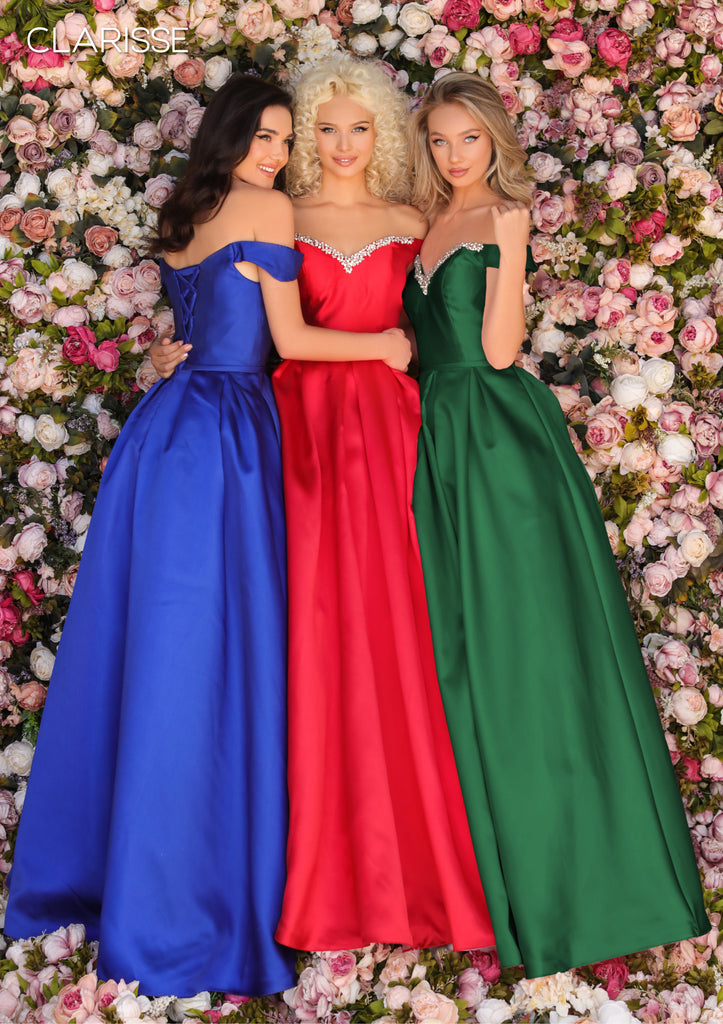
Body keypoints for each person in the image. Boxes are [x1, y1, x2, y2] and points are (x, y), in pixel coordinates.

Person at [5, 74, 410, 997]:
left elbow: (188, 329)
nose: (276, 155)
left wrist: (158, 358)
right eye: (264, 136)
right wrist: (385, 345)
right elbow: (291, 344)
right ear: (229, 136)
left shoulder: (184, 214)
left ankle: (131, 877)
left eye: (284, 140)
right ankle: (207, 897)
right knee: (226, 653)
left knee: (158, 643)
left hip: (165, 430)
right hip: (231, 434)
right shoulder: (268, 209)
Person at [152, 56, 496, 954]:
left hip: (390, 429)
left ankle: (406, 845)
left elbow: (446, 331)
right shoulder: (280, 213)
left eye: (360, 127)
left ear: (382, 133)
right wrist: (167, 352)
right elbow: (252, 327)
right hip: (299, 424)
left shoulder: (411, 221)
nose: (342, 144)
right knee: (306, 616)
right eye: (325, 128)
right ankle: (313, 853)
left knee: (396, 613)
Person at [403, 71, 709, 979]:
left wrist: (509, 244)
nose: (454, 155)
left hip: (499, 442)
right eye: (439, 140)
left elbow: (499, 350)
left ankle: (594, 887)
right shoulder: (423, 222)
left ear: (494, 140)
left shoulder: (502, 218)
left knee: (529, 645)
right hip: (433, 435)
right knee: (461, 646)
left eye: (468, 138)